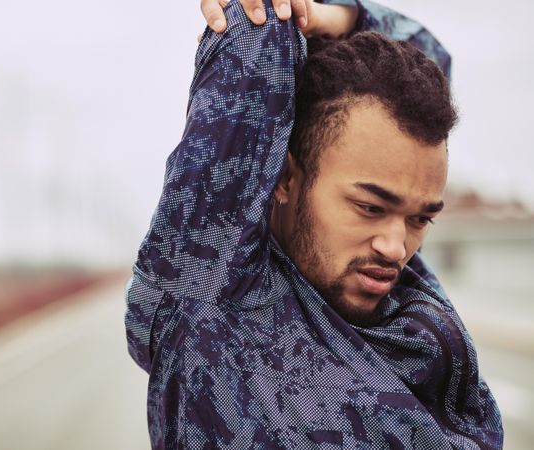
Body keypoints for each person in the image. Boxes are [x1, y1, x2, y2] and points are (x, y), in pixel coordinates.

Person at [125, 0, 503, 448]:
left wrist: (338, 16)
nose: (397, 248)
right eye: (369, 207)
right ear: (285, 178)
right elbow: (256, 30)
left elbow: (428, 59)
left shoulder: (399, 304)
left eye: (420, 218)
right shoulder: (214, 295)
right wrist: (280, 13)